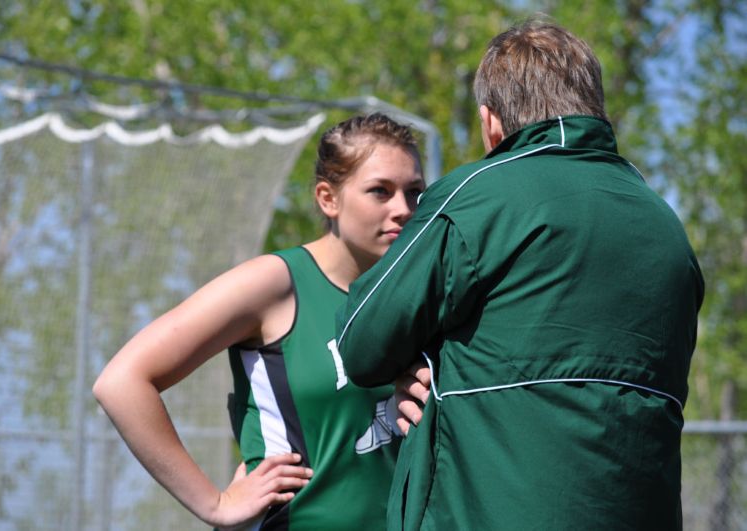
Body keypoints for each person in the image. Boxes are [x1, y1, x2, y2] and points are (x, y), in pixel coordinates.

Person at [336, 18, 704, 530]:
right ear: (593, 106)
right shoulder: (664, 223)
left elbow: (361, 342)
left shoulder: (481, 194)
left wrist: (419, 361)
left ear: (491, 122)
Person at [93, 112, 426, 530]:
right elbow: (121, 382)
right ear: (329, 198)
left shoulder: (418, 295)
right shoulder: (276, 283)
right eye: (381, 191)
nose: (404, 209)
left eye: (415, 192)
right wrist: (215, 504)